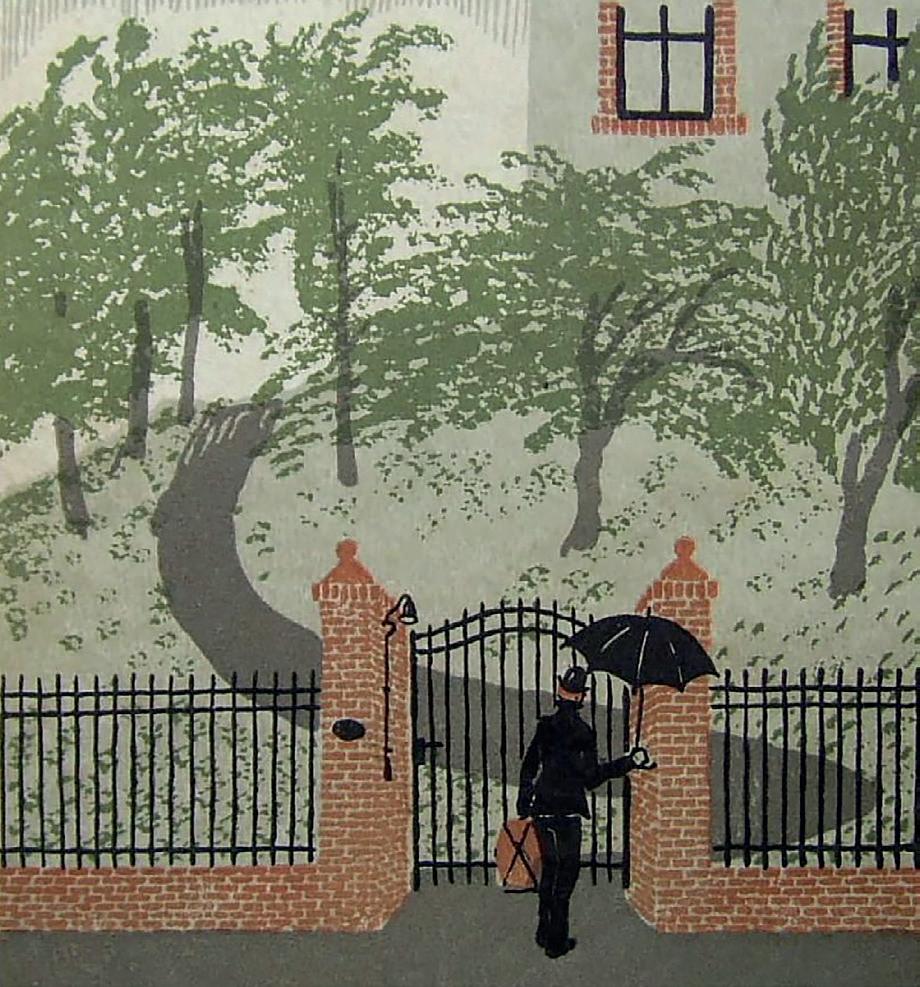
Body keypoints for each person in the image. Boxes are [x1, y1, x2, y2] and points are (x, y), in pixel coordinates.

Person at [516, 666, 653, 959]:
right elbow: (591, 778)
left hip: (543, 808)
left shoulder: (545, 727)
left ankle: (544, 929)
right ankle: (556, 940)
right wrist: (629, 762)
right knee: (566, 874)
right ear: (580, 697)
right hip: (569, 811)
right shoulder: (583, 732)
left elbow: (529, 767)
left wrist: (524, 802)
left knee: (550, 869)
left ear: (559, 691)